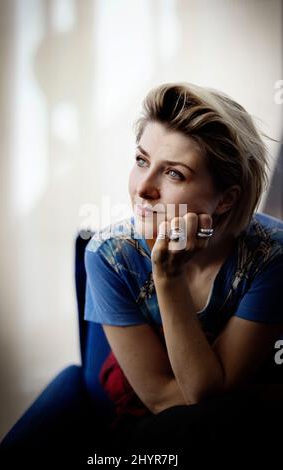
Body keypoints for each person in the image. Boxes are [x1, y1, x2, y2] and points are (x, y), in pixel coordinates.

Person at [84, 82, 283, 456]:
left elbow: (206, 397)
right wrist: (167, 273)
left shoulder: (272, 255)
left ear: (225, 199)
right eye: (141, 161)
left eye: (173, 174)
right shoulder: (109, 256)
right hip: (151, 431)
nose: (143, 188)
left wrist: (167, 275)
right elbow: (163, 396)